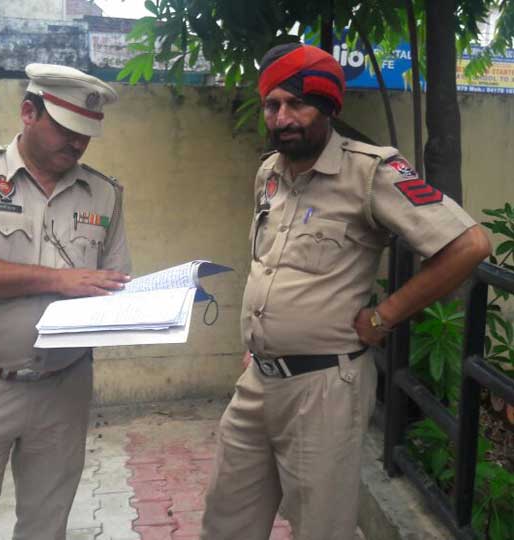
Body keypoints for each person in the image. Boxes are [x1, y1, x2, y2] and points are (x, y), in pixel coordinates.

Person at [200, 43, 491, 540]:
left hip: (324, 388)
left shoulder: (370, 172)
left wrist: (384, 316)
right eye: (272, 105)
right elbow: (271, 263)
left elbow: (470, 245)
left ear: (327, 106)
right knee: (224, 520)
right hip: (258, 381)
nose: (282, 118)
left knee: (321, 528)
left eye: (297, 104)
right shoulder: (269, 173)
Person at [0, 63, 131, 540]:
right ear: (29, 112)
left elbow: (112, 282)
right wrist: (57, 280)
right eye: (67, 129)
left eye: (86, 133)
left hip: (64, 388)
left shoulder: (104, 193)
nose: (77, 143)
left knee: (46, 528)